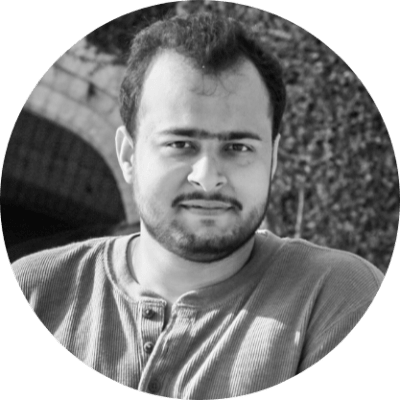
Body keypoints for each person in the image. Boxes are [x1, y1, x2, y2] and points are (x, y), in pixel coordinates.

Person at [12, 13, 384, 399]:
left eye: (238, 147)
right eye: (180, 144)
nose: (207, 178)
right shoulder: (34, 293)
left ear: (273, 159)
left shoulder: (339, 299)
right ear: (128, 155)